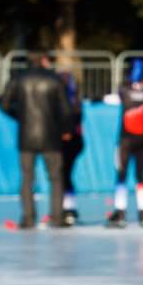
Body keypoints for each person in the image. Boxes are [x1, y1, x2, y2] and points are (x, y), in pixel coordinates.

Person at [0, 52, 73, 229]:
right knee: (55, 178)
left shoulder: (19, 79)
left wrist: (20, 116)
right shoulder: (54, 80)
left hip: (26, 136)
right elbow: (66, 109)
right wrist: (66, 130)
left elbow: (4, 103)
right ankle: (56, 217)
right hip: (51, 136)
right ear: (44, 61)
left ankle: (29, 218)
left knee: (27, 178)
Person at [107, 58, 143, 227]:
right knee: (141, 175)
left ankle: (120, 212)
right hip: (142, 138)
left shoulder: (124, 89)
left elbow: (120, 96)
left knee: (122, 174)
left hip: (126, 139)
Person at [55, 66, 84, 225]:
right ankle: (68, 207)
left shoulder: (70, 102)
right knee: (64, 174)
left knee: (63, 174)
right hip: (74, 141)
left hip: (70, 141)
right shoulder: (74, 100)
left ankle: (67, 208)